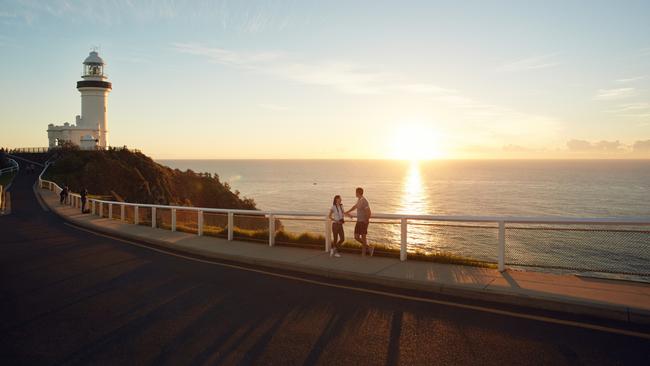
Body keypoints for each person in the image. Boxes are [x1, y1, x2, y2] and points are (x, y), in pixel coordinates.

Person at [345, 187, 373, 257]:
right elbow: (355, 207)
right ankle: (369, 247)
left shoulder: (364, 201)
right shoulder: (359, 200)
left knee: (363, 237)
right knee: (356, 236)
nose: (355, 193)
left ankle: (363, 253)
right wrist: (347, 212)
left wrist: (366, 220)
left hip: (363, 222)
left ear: (358, 193)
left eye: (356, 192)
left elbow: (369, 212)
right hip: (358, 221)